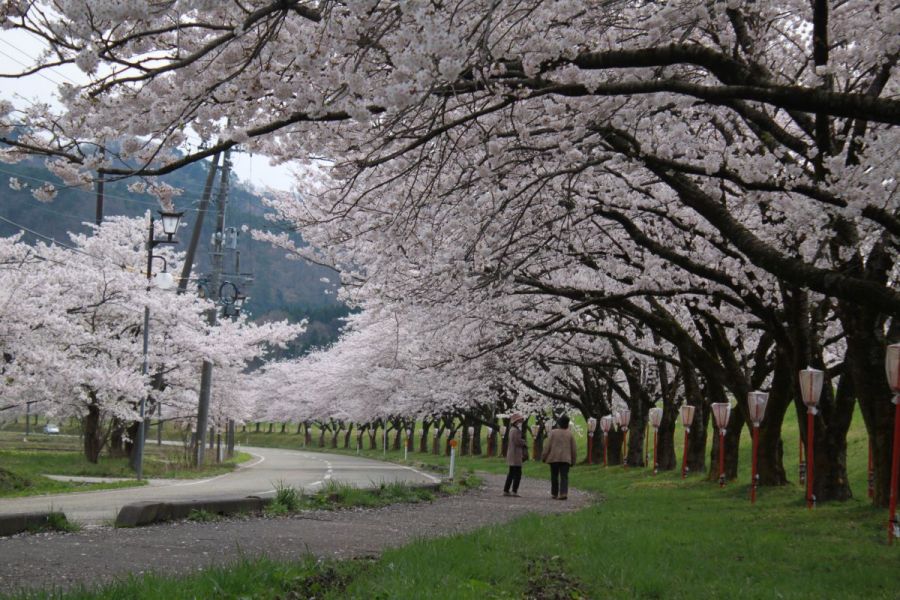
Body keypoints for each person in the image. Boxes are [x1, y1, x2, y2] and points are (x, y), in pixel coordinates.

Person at [542, 414, 577, 500]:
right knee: (564, 476)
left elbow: (547, 446)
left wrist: (544, 456)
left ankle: (554, 493)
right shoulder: (570, 434)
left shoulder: (553, 433)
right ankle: (563, 493)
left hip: (554, 458)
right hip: (566, 459)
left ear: (559, 424)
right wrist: (573, 460)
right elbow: (574, 449)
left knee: (554, 476)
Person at [503, 413, 528, 497]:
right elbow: (517, 441)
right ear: (516, 421)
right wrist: (524, 442)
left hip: (512, 453)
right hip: (515, 454)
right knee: (517, 473)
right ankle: (514, 490)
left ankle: (506, 490)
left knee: (511, 473)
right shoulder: (515, 430)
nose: (521, 421)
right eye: (520, 420)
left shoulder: (512, 429)